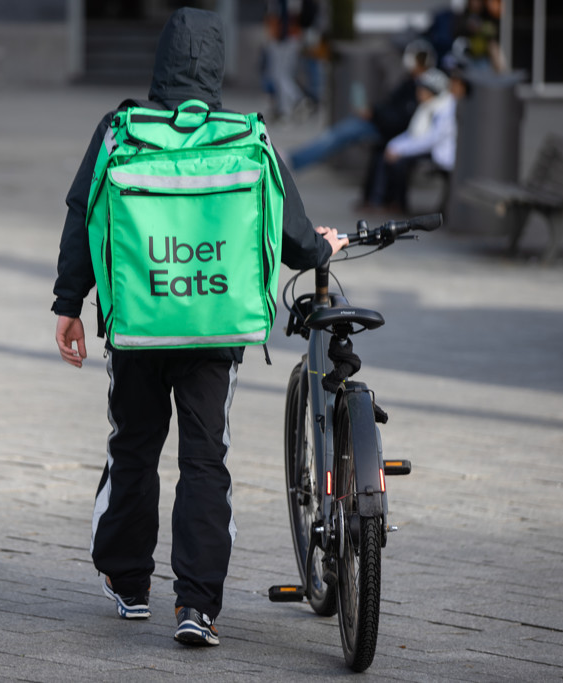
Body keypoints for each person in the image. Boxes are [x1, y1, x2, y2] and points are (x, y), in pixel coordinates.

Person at [52, 7, 346, 647]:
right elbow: (291, 233)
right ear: (216, 67)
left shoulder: (120, 129)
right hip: (215, 328)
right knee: (204, 458)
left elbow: (83, 211)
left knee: (133, 444)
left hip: (137, 323)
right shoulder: (245, 136)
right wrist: (322, 249)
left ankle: (129, 585)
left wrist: (68, 303)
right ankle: (196, 606)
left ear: (160, 64)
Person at [287, 38, 435, 175]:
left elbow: (400, 117)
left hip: (385, 127)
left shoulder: (424, 87)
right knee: (335, 135)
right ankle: (293, 160)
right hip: (381, 122)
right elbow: (394, 107)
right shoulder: (411, 83)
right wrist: (374, 111)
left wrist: (374, 114)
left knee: (335, 137)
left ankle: (292, 162)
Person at [378, 67, 464, 214]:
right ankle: (387, 201)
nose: (418, 93)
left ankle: (398, 203)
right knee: (386, 154)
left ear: (432, 91)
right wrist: (394, 146)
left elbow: (432, 139)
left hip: (439, 152)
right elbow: (413, 134)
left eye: (422, 89)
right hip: (428, 149)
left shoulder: (444, 108)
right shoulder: (427, 106)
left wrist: (399, 149)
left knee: (399, 162)